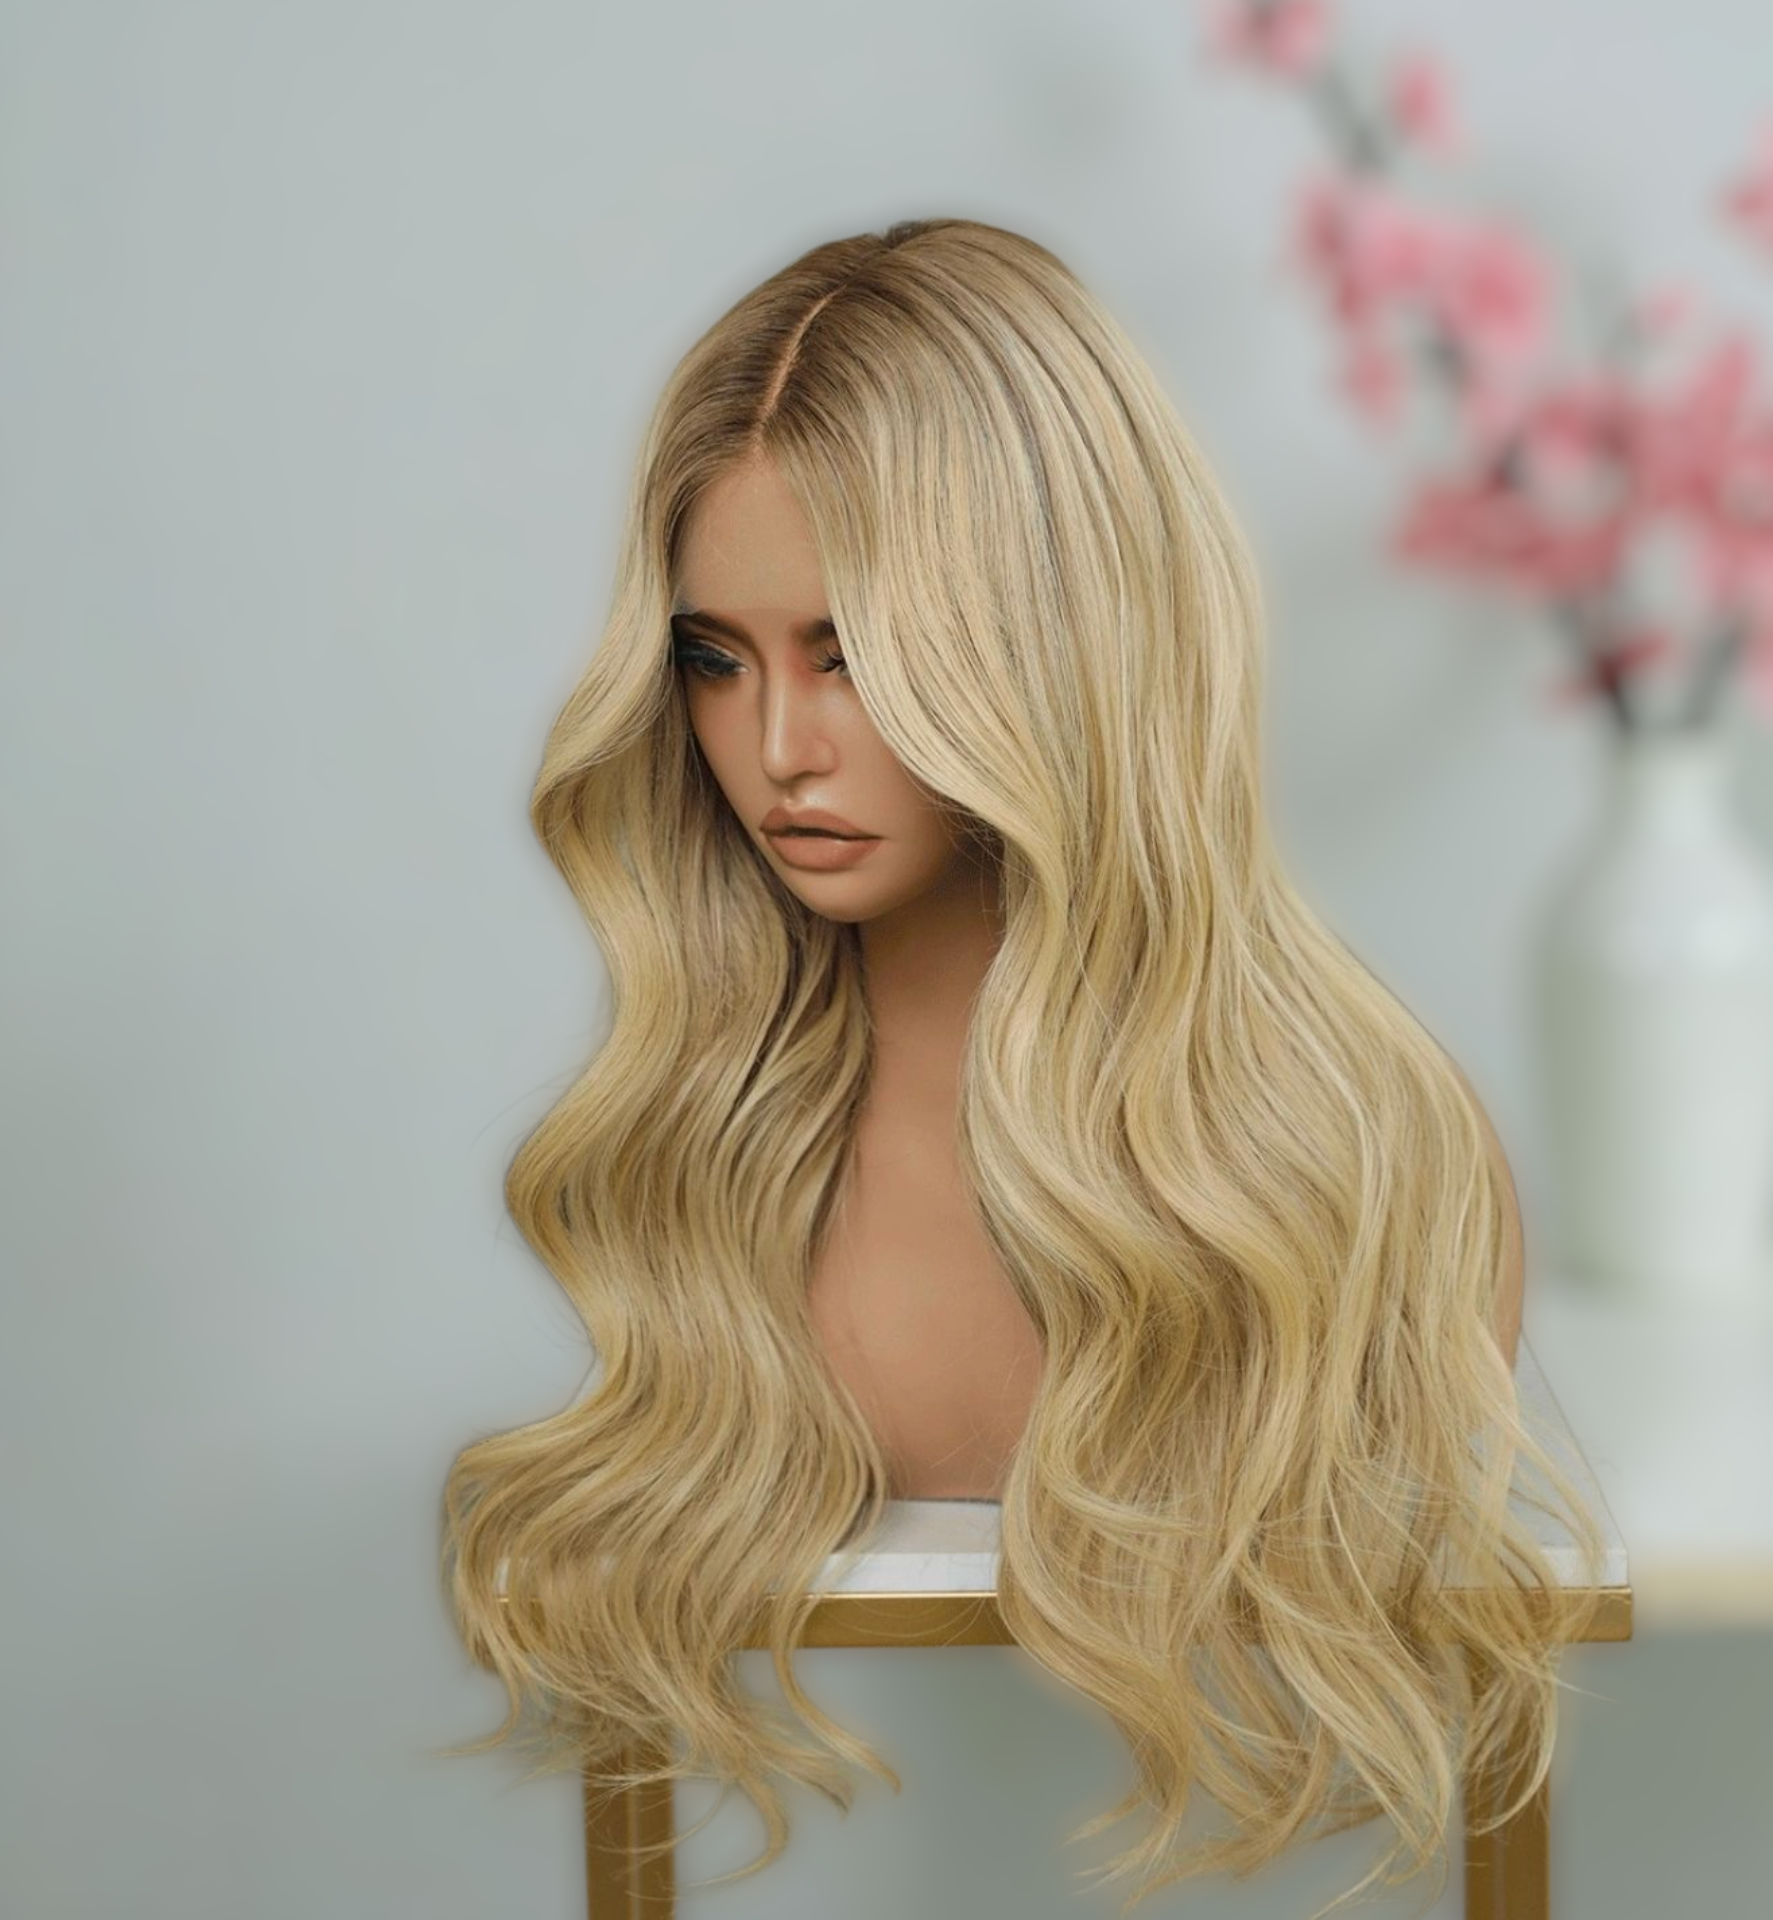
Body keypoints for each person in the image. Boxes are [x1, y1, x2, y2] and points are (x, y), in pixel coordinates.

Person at [439, 217, 1605, 1914]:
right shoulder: (705, 1169)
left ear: (1059, 635)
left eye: (852, 653)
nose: (776, 750)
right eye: (717, 658)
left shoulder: (1373, 1168)